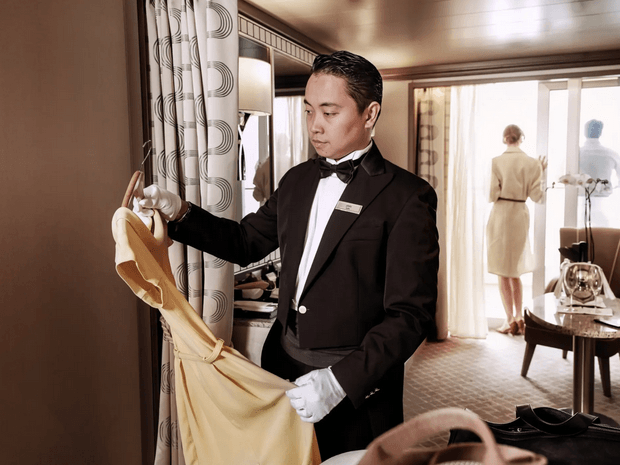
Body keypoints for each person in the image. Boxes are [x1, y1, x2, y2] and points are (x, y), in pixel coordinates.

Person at [134, 50, 439, 460]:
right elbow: (244, 242)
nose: (315, 125)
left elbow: (410, 315)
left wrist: (339, 381)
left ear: (370, 114)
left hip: (355, 390)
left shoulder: (408, 197)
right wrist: (180, 213)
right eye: (309, 110)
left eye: (329, 112)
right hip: (282, 371)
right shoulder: (296, 180)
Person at [486, 124, 546, 336]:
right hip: (520, 214)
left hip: (501, 214)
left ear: (505, 139)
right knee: (515, 269)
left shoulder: (496, 162)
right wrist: (541, 172)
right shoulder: (533, 163)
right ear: (521, 138)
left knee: (502, 269)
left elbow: (492, 195)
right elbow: (538, 197)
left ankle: (509, 319)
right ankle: (520, 317)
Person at [578, 119, 620, 227]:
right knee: (605, 232)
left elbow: (561, 175)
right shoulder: (611, 154)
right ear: (600, 133)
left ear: (584, 132)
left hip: (580, 200)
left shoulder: (576, 153)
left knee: (580, 232)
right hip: (604, 201)